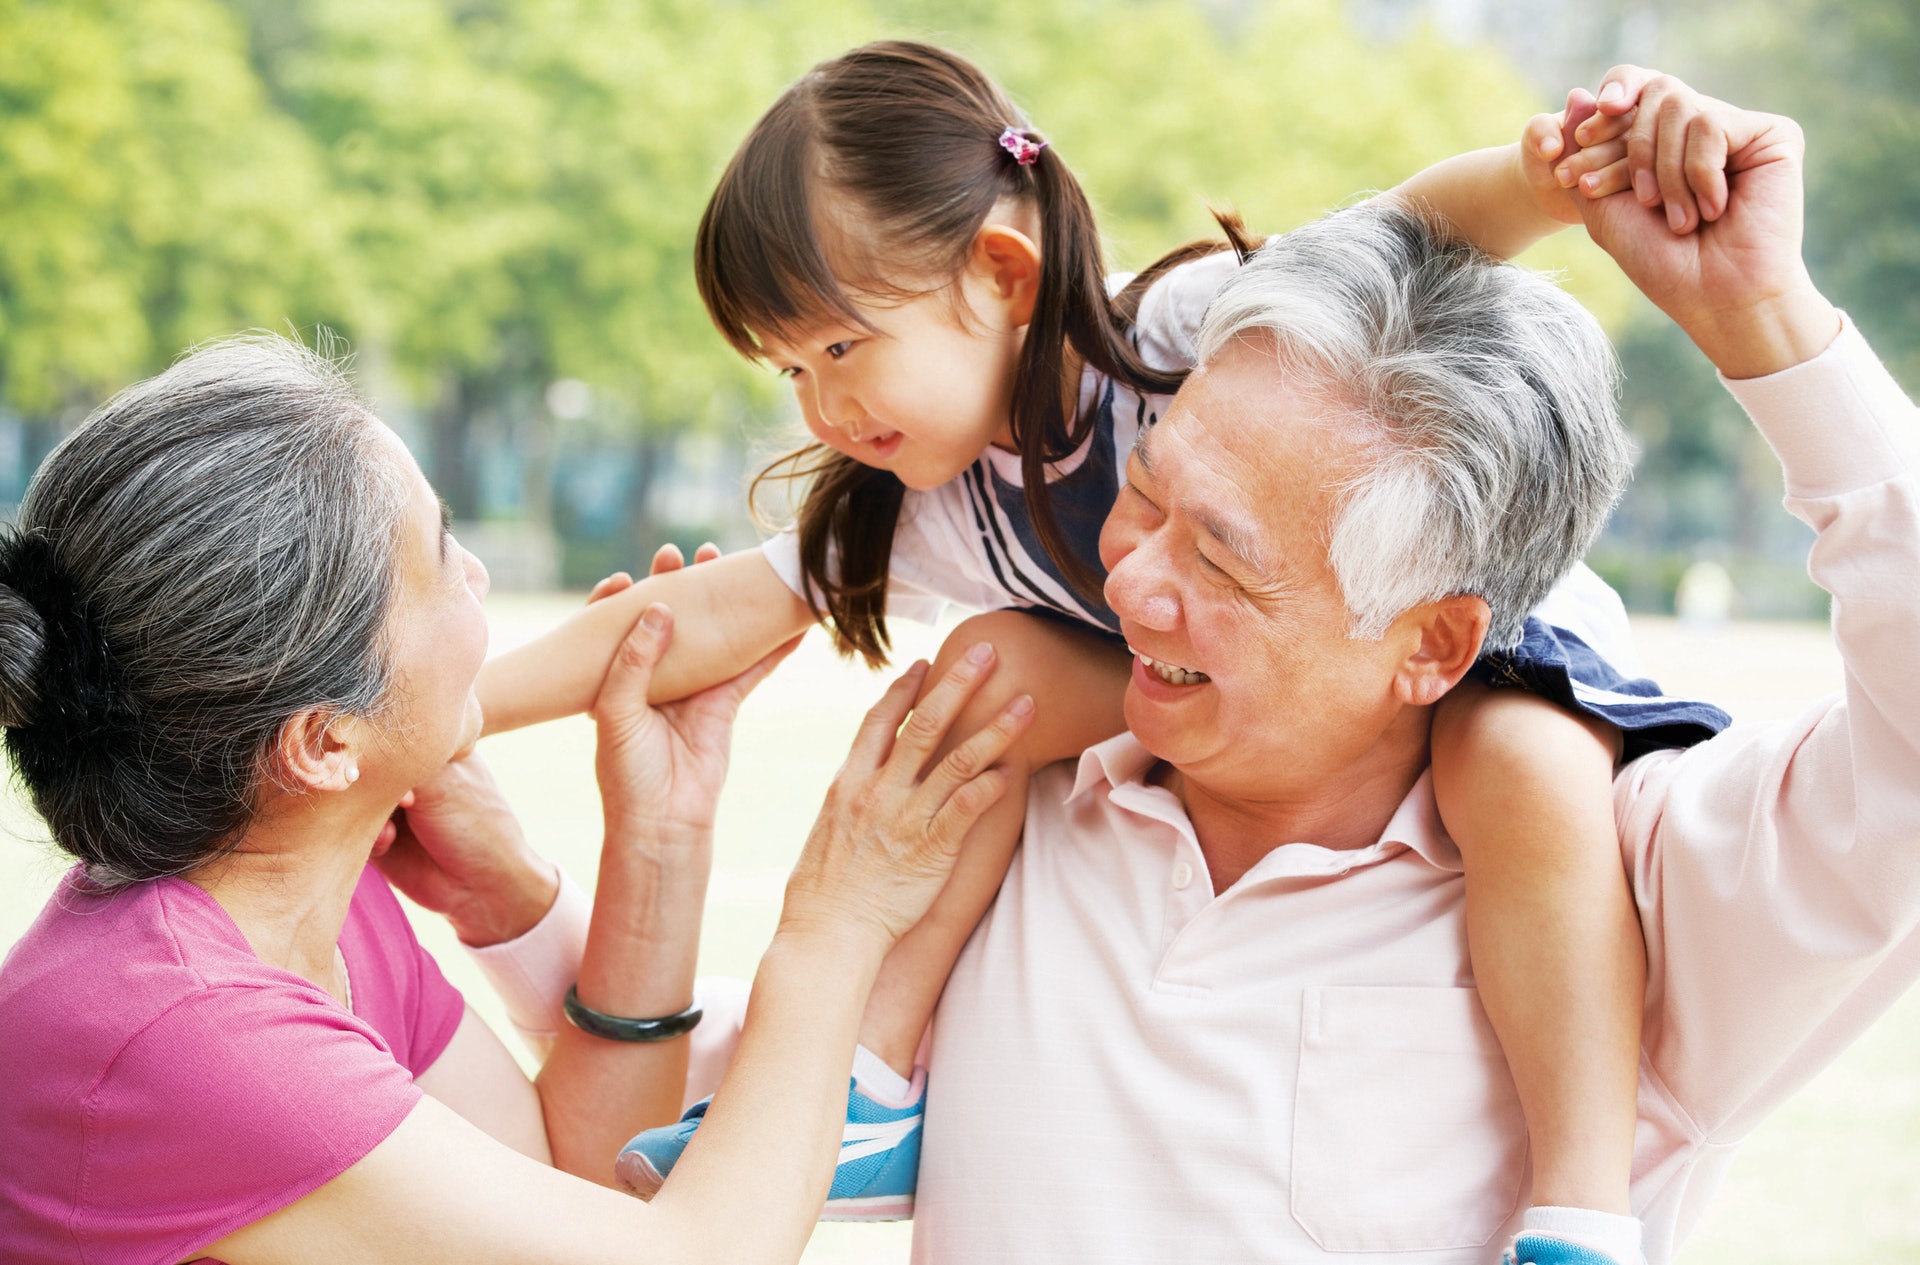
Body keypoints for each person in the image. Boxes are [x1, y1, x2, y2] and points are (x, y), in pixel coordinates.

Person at [475, 42, 1729, 1232]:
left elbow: (1404, 232)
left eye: (844, 345)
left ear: (1002, 274)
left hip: (1467, 631)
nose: (823, 403)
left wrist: (1542, 182)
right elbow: (701, 615)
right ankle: (874, 1082)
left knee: (1516, 763)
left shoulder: (1175, 332)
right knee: (976, 688)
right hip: (1222, 667)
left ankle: (1579, 1206)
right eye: (789, 370)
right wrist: (449, 712)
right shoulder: (937, 500)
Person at [899, 72, 1919, 1265]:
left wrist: (1766, 321)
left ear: (1434, 641)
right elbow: (706, 1169)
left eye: (1222, 561)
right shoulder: (1009, 792)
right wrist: (664, 851)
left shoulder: (1642, 894)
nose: (1124, 585)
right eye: (1144, 493)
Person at [0, 335, 1034, 1265]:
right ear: (321, 742)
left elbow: (571, 1182)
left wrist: (658, 841)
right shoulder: (186, 1031)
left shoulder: (298, 901)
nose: (481, 575)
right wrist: (838, 924)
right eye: (442, 557)